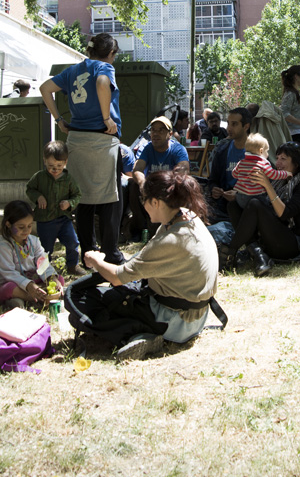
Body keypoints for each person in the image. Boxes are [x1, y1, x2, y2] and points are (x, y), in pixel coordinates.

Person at [84, 171, 220, 360]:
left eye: (143, 199)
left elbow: (117, 277)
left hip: (174, 322)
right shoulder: (188, 216)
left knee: (101, 299)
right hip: (198, 318)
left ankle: (146, 334)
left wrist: (96, 260)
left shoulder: (170, 240)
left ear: (155, 202)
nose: (142, 204)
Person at [40, 32, 126, 265]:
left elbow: (45, 88)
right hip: (102, 139)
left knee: (83, 198)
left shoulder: (72, 70)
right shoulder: (104, 67)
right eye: (114, 55)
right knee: (110, 198)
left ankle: (88, 252)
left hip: (76, 139)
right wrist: (107, 117)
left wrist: (59, 120)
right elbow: (101, 83)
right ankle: (111, 253)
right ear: (110, 53)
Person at [223, 142, 300, 276]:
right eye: (277, 158)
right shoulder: (277, 180)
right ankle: (258, 253)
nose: (278, 163)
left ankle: (230, 251)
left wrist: (267, 186)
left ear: (296, 163)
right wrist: (239, 194)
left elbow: (284, 213)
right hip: (269, 236)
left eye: (283, 159)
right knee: (233, 205)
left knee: (255, 204)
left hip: (292, 242)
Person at [0, 200, 64, 310]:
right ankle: (34, 298)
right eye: (21, 227)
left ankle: (26, 299)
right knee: (9, 289)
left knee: (59, 280)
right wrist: (29, 286)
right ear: (8, 224)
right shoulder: (4, 245)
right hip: (10, 284)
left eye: (29, 226)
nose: (26, 230)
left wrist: (51, 277)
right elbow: (8, 272)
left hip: (31, 282)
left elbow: (43, 263)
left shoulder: (34, 241)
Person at [126, 116, 191, 241]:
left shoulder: (177, 149)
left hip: (169, 188)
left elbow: (184, 168)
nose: (155, 133)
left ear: (170, 134)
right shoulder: (147, 148)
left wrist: (167, 182)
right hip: (150, 187)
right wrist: (142, 183)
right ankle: (138, 229)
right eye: (153, 130)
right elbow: (138, 168)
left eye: (161, 130)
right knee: (133, 185)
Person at [25, 141, 83, 275]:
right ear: (45, 161)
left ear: (65, 162)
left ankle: (72, 266)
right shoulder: (39, 177)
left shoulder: (69, 179)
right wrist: (38, 197)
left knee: (73, 242)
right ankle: (44, 270)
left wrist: (69, 203)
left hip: (64, 219)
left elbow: (77, 195)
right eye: (51, 166)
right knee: (46, 248)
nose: (55, 169)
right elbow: (30, 189)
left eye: (59, 166)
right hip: (45, 220)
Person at [207, 107, 252, 220]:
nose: (229, 128)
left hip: (246, 206)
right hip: (223, 204)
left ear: (246, 126)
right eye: (228, 124)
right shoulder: (222, 150)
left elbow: (261, 189)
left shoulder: (256, 152)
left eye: (234, 124)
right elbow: (213, 180)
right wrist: (214, 189)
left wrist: (239, 197)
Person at [230, 134, 291, 209]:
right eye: (267, 151)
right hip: (255, 196)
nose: (268, 155)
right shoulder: (262, 163)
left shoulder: (241, 162)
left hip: (240, 196)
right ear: (261, 151)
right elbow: (273, 174)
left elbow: (234, 174)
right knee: (268, 206)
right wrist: (286, 174)